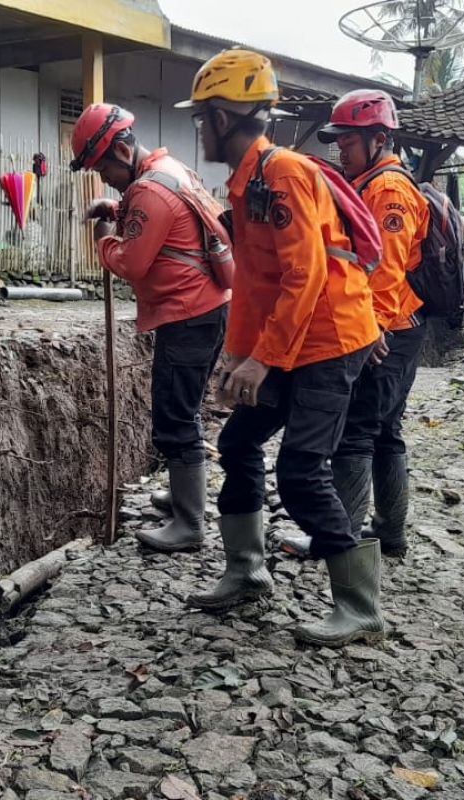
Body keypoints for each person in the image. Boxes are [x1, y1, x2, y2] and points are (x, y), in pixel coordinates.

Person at [176, 49, 385, 648]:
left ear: (221, 118)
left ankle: (359, 604)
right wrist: (240, 359)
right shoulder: (249, 182)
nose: (200, 129)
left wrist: (262, 359)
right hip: (292, 339)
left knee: (299, 469)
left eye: (202, 118)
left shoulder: (284, 173)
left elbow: (306, 275)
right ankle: (246, 570)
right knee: (239, 440)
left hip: (327, 340)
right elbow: (256, 286)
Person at [71, 103, 231, 553]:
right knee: (183, 409)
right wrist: (120, 210)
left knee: (174, 417)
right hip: (205, 308)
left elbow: (134, 262)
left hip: (187, 314)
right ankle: (184, 497)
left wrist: (106, 238)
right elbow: (164, 224)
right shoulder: (168, 170)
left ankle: (189, 524)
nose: (102, 176)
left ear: (123, 149)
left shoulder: (149, 192)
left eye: (103, 165)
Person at [281, 90, 430, 560]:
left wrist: (375, 327)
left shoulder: (388, 189)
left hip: (390, 327)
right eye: (338, 140)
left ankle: (338, 540)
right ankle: (389, 535)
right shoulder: (369, 181)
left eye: (347, 141)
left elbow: (387, 265)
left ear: (379, 138)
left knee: (359, 431)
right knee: (385, 429)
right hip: (400, 323)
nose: (339, 150)